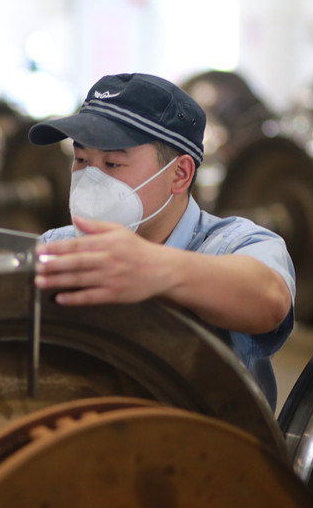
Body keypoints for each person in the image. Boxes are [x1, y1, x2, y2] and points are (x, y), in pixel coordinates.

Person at [28, 72, 296, 411]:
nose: (90, 179)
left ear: (180, 174)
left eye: (113, 163)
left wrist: (154, 268)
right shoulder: (59, 245)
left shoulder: (233, 244)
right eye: (81, 159)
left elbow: (269, 299)